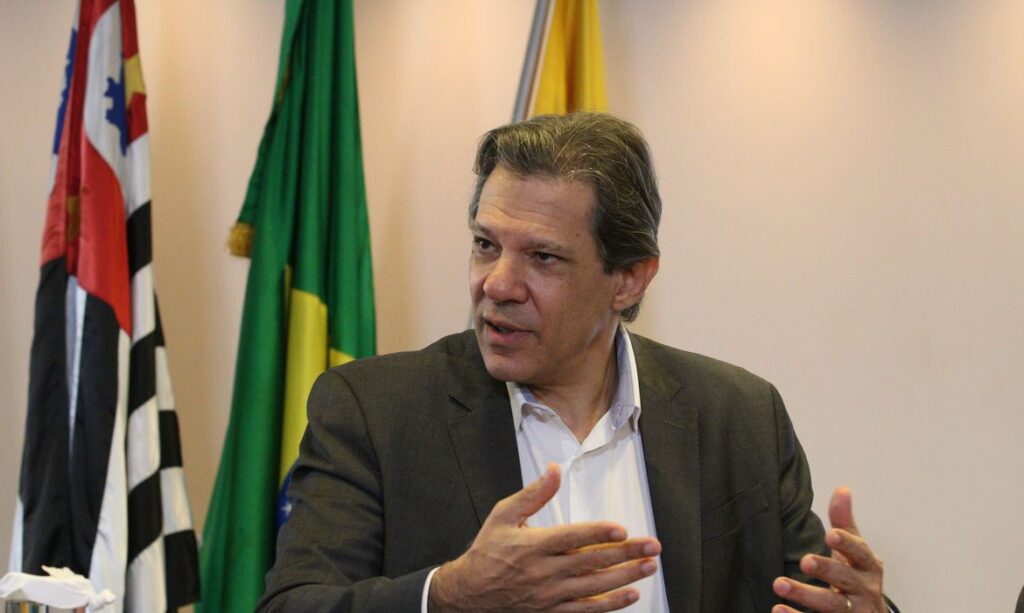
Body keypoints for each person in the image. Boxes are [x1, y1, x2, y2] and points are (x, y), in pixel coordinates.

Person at [257, 113, 893, 612]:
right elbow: (293, 604)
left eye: (543, 258)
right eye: (485, 245)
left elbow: (814, 597)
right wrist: (447, 595)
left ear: (629, 279)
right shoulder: (376, 412)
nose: (497, 284)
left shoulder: (739, 416)